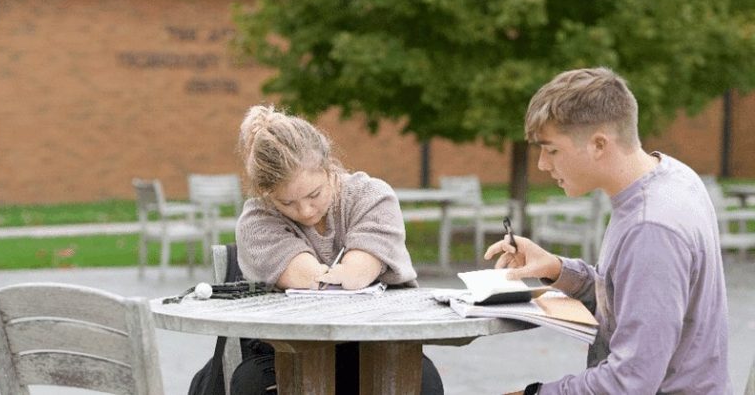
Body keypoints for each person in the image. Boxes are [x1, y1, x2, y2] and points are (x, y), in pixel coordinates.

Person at [485, 68, 732, 395]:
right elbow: (626, 296)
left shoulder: (651, 228)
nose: (543, 164)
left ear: (599, 144)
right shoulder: (672, 177)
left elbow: (630, 382)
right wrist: (556, 269)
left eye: (552, 150)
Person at [232, 104, 444, 395]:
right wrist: (332, 274)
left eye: (314, 194)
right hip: (286, 347)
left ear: (330, 167)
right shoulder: (257, 219)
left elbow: (356, 274)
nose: (305, 211)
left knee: (423, 383)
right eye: (287, 203)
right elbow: (309, 277)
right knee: (257, 385)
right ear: (267, 196)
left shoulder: (371, 196)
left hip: (375, 340)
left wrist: (346, 272)